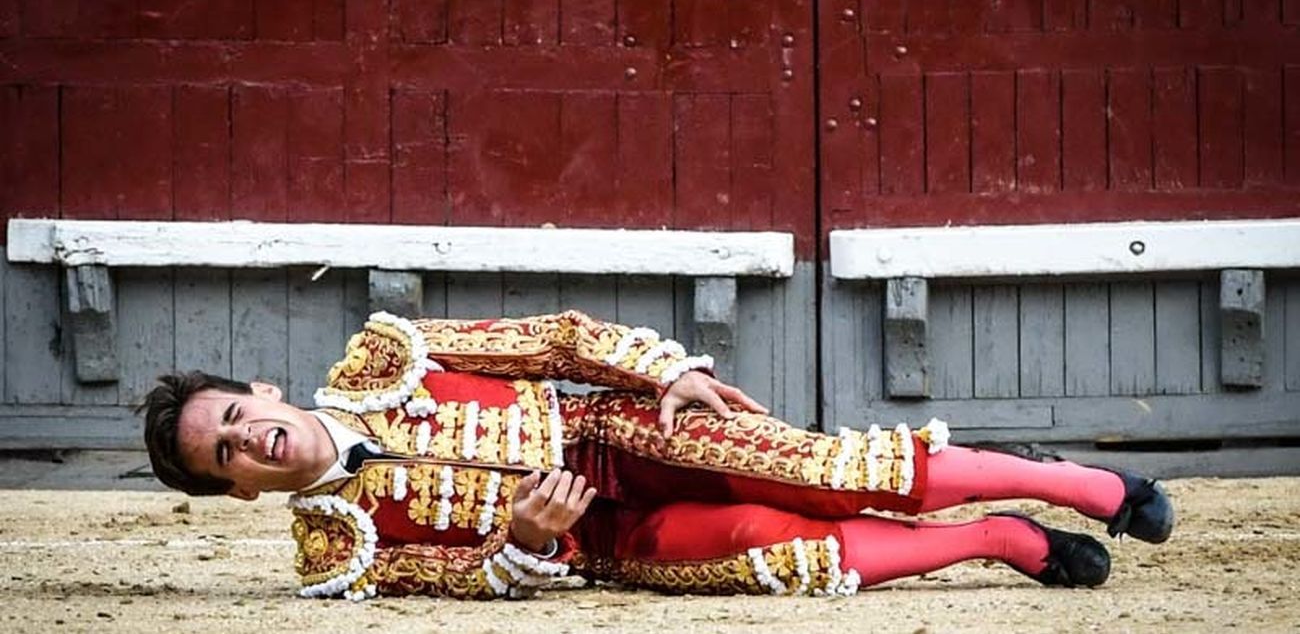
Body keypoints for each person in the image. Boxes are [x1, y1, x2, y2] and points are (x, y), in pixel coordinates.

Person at [140, 310, 1173, 601]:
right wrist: (519, 542)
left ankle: (1083, 483)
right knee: (784, 552)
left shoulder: (386, 356)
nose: (248, 437)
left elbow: (558, 340)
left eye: (234, 412)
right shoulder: (337, 552)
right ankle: (1001, 537)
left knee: (838, 468)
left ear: (260, 391)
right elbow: (457, 575)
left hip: (626, 429)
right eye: (226, 453)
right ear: (234, 487)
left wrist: (665, 369)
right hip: (607, 537)